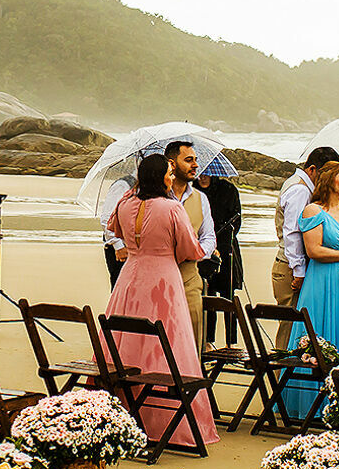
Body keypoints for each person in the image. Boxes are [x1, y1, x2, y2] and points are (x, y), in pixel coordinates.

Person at [103, 154, 219, 449]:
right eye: (169, 172)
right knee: (169, 343)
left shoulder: (126, 203)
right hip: (163, 280)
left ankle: (126, 413)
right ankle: (164, 422)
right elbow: (191, 250)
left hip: (130, 277)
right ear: (161, 177)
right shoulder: (171, 208)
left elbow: (115, 229)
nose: (172, 177)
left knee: (126, 341)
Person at [280, 160, 339, 422]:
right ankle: (311, 406)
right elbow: (314, 250)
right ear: (330, 180)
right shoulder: (312, 210)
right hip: (322, 282)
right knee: (320, 334)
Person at [272, 146, 339, 308]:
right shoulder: (300, 190)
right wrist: (299, 273)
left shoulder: (301, 186)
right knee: (291, 326)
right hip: (291, 268)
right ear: (312, 170)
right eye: (326, 174)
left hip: (293, 265)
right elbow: (293, 233)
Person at [164, 141, 216, 352]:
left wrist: (196, 253)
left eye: (195, 160)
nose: (195, 165)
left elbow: (209, 236)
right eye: (188, 160)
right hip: (161, 279)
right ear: (172, 164)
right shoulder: (156, 197)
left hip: (190, 277)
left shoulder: (200, 198)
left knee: (193, 339)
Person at [197, 172, 244, 340]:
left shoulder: (228, 189)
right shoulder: (194, 192)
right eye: (200, 174)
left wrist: (219, 242)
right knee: (207, 296)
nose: (202, 177)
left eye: (206, 174)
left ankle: (231, 342)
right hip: (202, 249)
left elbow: (236, 222)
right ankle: (208, 341)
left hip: (227, 249)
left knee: (228, 297)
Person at [99, 173, 137, 289]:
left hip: (135, 248)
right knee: (120, 290)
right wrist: (118, 245)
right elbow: (107, 218)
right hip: (120, 248)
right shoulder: (123, 185)